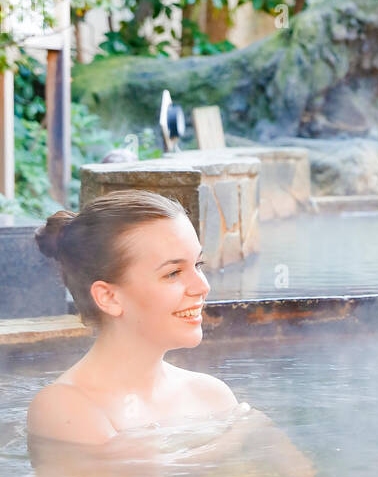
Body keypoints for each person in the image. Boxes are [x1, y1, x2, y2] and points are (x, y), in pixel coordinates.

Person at [28, 190, 239, 444]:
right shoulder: (63, 408)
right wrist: (239, 437)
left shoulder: (211, 395)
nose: (202, 287)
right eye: (173, 273)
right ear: (109, 297)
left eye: (198, 265)